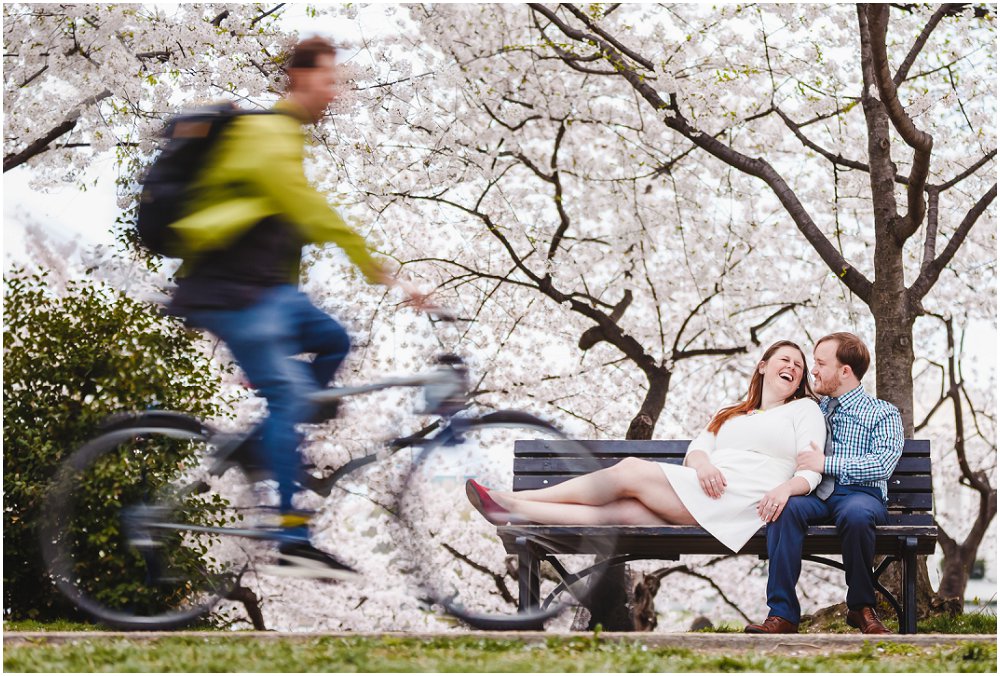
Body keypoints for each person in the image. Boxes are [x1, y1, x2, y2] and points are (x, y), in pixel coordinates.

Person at [166, 36, 430, 577]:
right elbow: (303, 207)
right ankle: (291, 536)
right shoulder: (268, 132)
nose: (336, 93)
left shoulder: (284, 137)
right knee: (291, 395)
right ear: (301, 78)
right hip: (230, 290)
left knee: (334, 338)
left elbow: (279, 227)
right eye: (329, 81)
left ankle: (264, 445)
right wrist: (378, 268)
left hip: (266, 291)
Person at [466, 340, 826, 554]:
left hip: (747, 496)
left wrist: (784, 489)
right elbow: (699, 449)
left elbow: (810, 469)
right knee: (621, 514)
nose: (793, 367)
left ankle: (512, 502)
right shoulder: (728, 413)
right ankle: (520, 513)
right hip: (709, 487)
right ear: (763, 367)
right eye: (785, 360)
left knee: (631, 470)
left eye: (799, 366)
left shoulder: (804, 409)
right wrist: (702, 466)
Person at [745, 332, 904, 635]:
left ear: (845, 371)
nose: (813, 370)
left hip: (860, 495)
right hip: (816, 494)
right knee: (785, 508)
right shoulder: (812, 409)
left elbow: (882, 464)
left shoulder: (881, 412)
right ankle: (783, 614)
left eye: (820, 363)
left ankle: (860, 606)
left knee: (856, 515)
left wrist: (827, 463)